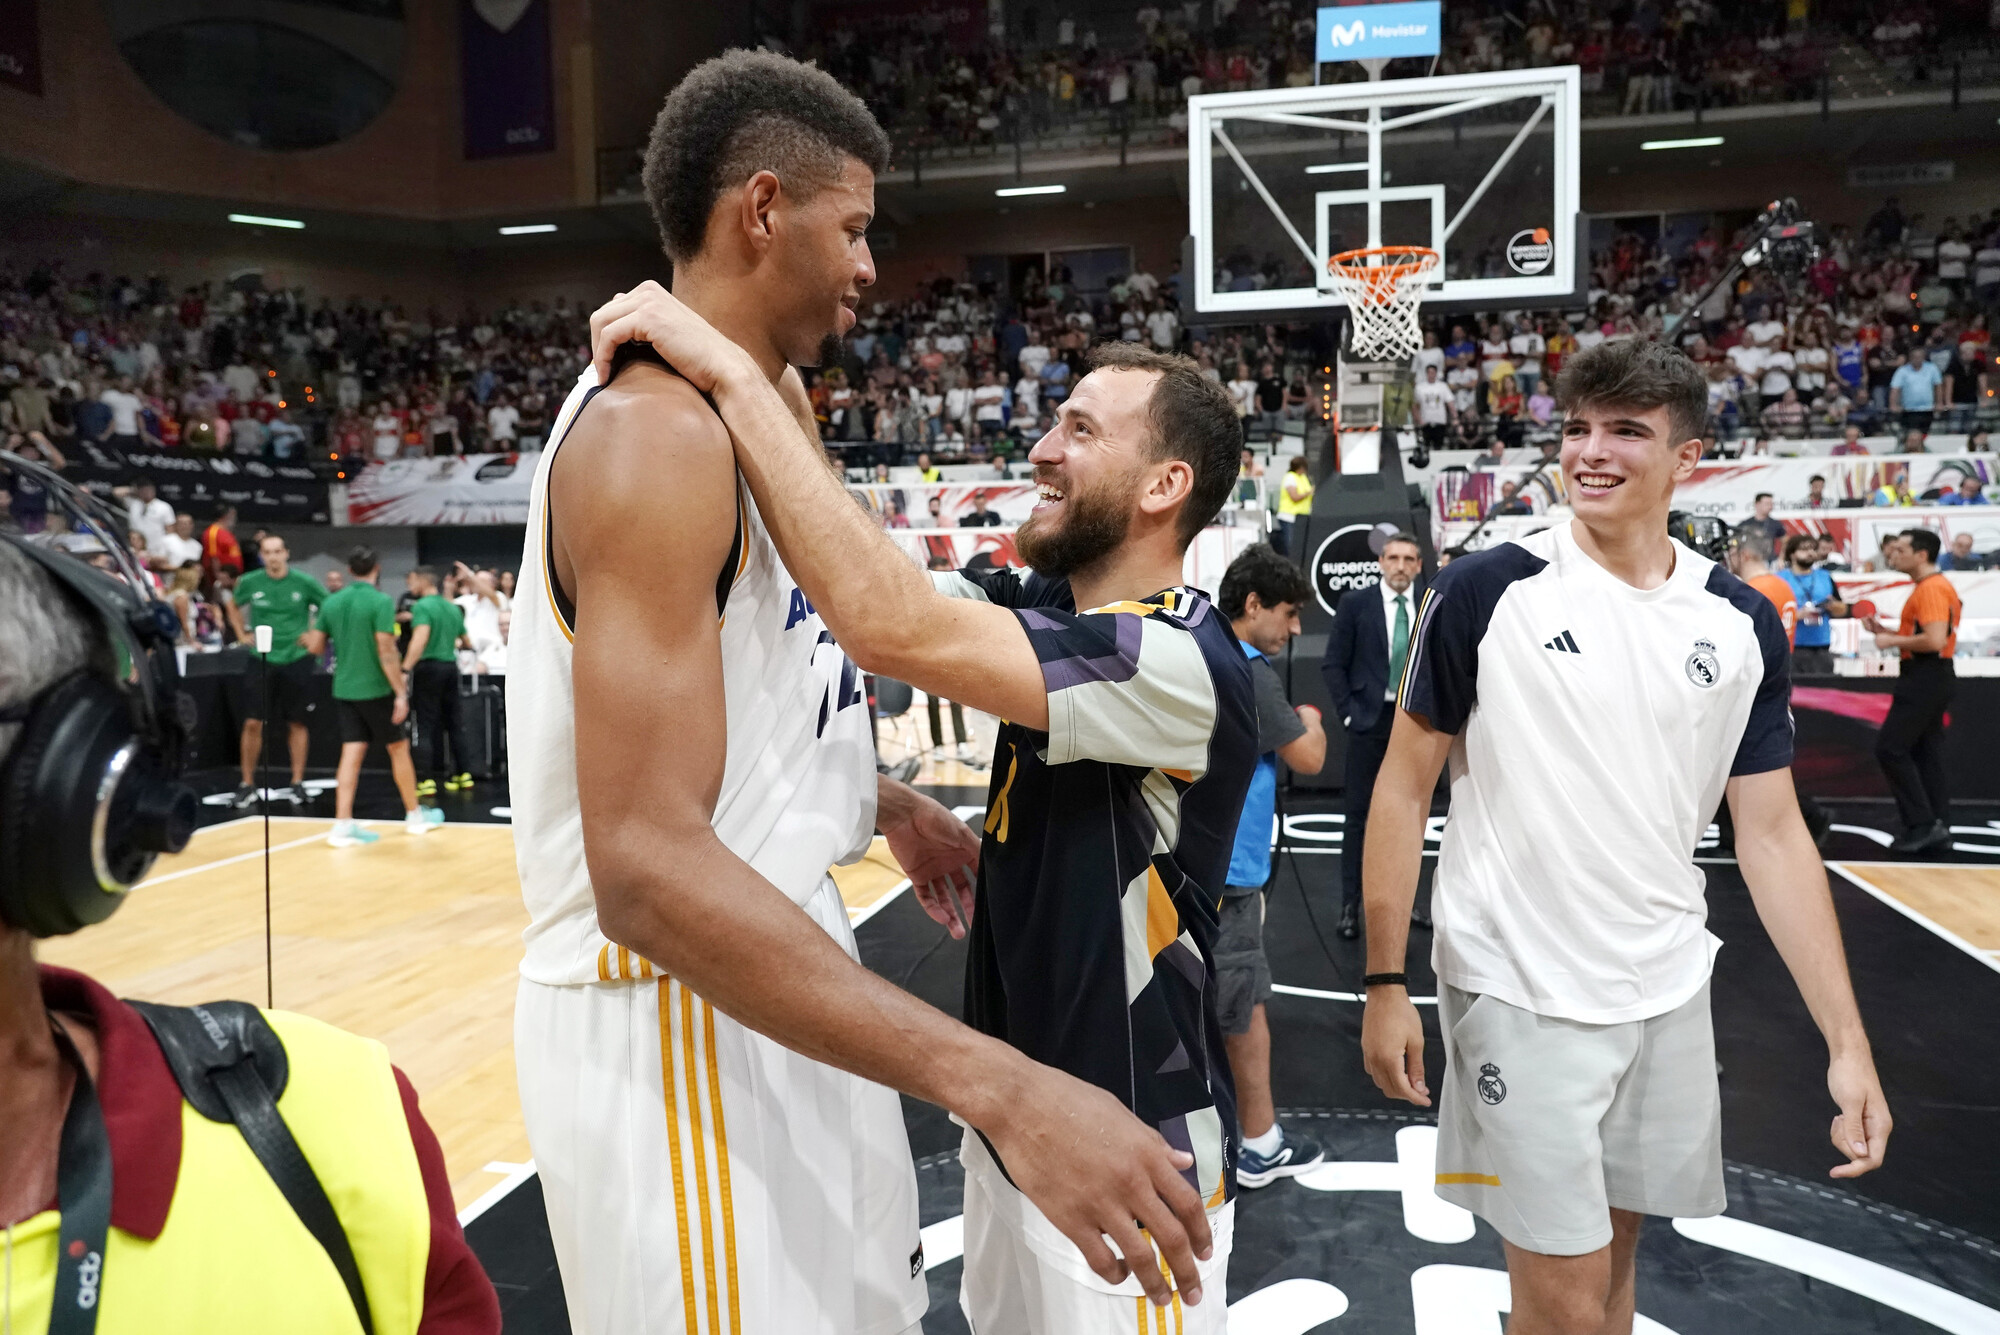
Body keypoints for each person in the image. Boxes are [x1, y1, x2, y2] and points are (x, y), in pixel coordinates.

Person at [518, 52, 1224, 1335]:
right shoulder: (656, 435)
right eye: (852, 229)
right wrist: (998, 1088)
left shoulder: (761, 408)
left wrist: (870, 788)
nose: (865, 268)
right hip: (675, 1003)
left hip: (785, 969)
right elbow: (642, 869)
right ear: (763, 209)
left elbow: (809, 646)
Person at [1362, 339, 1890, 1335]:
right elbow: (1400, 785)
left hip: (1664, 987)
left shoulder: (1735, 621)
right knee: (1559, 1302)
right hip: (1516, 985)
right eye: (1576, 429)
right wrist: (1383, 982)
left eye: (1624, 432)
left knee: (1614, 1268)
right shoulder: (1485, 590)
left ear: (1686, 458)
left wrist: (1846, 1045)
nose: (1590, 453)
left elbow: (1770, 834)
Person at [0, 512, 500, 1334]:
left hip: (333, 685)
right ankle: (381, 812)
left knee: (333, 745)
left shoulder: (332, 1113)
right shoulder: (337, 1102)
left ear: (60, 791)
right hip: (361, 684)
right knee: (377, 749)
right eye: (266, 551)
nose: (272, 557)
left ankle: (344, 812)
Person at [1216, 544, 1327, 1187]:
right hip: (1226, 876)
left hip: (1199, 864)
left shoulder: (1204, 651)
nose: (1293, 629)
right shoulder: (1251, 671)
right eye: (1286, 614)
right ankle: (1258, 1145)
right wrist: (1309, 717)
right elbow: (1308, 757)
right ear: (1253, 605)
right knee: (1244, 1000)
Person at [1321, 531, 1427, 940]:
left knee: (1412, 819)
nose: (1400, 565)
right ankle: (1350, 906)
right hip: (1368, 722)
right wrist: (1348, 715)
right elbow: (1333, 664)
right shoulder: (1356, 604)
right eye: (1393, 557)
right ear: (1381, 562)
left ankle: (1408, 903)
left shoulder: (1429, 606)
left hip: (1414, 723)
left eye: (1408, 559)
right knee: (1358, 819)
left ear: (1418, 565)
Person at [316, 546, 441, 848]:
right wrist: (400, 692)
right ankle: (414, 816)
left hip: (344, 688)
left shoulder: (332, 602)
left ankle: (343, 825)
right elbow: (386, 650)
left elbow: (316, 646)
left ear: (349, 570)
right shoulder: (381, 601)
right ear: (377, 567)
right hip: (376, 689)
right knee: (398, 749)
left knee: (351, 753)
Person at [1861, 529, 1963, 854]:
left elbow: (1934, 641)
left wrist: (1891, 641)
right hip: (1931, 675)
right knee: (1925, 752)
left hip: (1925, 676)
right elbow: (1929, 636)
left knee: (1891, 748)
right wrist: (1889, 632)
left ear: (1921, 555)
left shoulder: (1931, 589)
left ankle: (1922, 824)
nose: (1893, 554)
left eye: (1901, 549)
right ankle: (1937, 823)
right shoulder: (1931, 587)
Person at [230, 534, 327, 809]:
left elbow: (327, 606)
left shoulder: (303, 582)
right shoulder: (250, 582)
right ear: (262, 556)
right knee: (252, 722)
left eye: (277, 551)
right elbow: (232, 604)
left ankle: (297, 782)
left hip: (296, 657)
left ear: (286, 553)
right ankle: (247, 784)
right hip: (261, 657)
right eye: (267, 552)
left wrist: (314, 634)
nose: (273, 557)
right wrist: (240, 632)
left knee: (296, 721)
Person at [403, 565, 475, 796]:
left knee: (423, 725)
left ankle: (425, 781)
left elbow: (420, 639)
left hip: (428, 668)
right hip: (450, 668)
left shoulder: (422, 606)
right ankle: (462, 775)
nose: (409, 585)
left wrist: (405, 669)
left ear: (424, 581)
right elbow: (466, 641)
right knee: (455, 722)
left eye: (412, 580)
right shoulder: (452, 607)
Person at [1778, 533, 1846, 674]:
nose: (1810, 553)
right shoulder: (1780, 579)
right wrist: (1795, 615)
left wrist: (1835, 607)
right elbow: (1771, 613)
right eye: (1804, 549)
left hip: (1821, 645)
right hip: (1791, 646)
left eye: (1813, 549)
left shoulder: (1825, 576)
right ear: (1792, 554)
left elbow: (1842, 609)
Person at [1888, 345, 1944, 437]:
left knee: (1924, 435)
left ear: (1923, 357)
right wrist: (1893, 405)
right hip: (1909, 410)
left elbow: (1938, 386)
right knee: (1911, 435)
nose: (1917, 359)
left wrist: (1939, 403)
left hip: (1927, 409)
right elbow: (1895, 389)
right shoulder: (1902, 371)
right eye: (1915, 357)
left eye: (1919, 357)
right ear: (1910, 358)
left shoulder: (1932, 368)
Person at [1274, 454, 1312, 556]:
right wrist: (1309, 493)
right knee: (1291, 545)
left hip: (1301, 517)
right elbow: (1294, 497)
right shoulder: (1290, 477)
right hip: (1289, 517)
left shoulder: (1303, 477)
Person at [1738, 492, 1785, 561]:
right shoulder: (1745, 524)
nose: (1770, 507)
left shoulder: (1775, 523)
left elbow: (1785, 541)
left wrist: (1781, 558)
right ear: (1757, 504)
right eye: (1767, 504)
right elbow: (1736, 542)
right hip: (1750, 561)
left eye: (1771, 504)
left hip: (1770, 561)